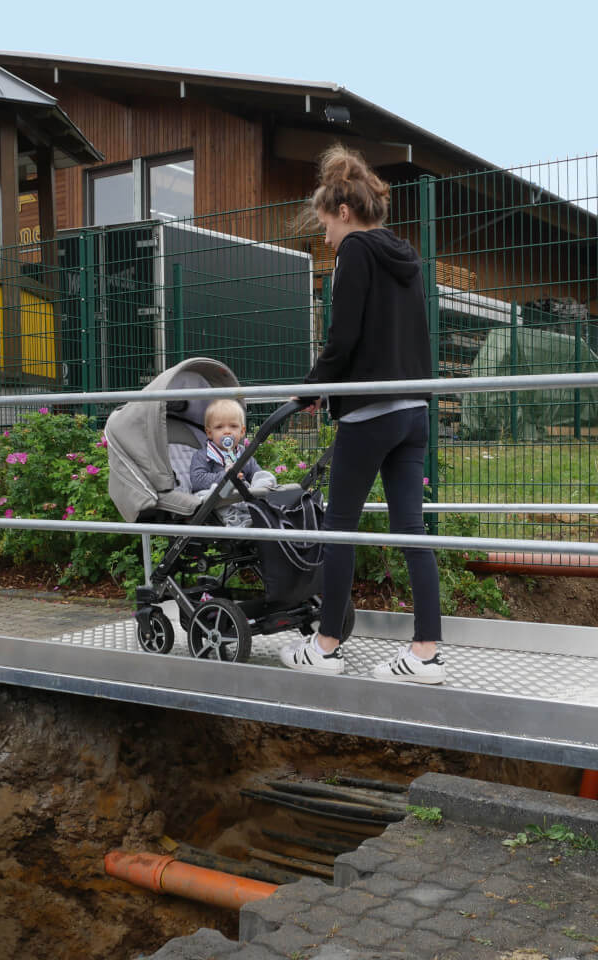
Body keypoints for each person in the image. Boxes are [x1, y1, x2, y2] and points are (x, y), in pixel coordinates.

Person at [280, 145, 445, 685]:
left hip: (370, 413)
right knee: (412, 531)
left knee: (339, 527)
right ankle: (425, 653)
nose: (325, 238)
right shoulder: (405, 257)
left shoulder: (355, 253)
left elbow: (343, 337)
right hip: (413, 411)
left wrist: (309, 389)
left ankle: (326, 646)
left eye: (326, 225)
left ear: (344, 213)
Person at [190, 398, 275, 526]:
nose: (227, 431)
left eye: (233, 426)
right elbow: (197, 480)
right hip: (221, 498)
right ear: (209, 432)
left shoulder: (243, 455)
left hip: (244, 496)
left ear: (242, 432)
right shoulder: (203, 455)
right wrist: (225, 477)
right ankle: (235, 519)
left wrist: (258, 484)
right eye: (219, 427)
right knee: (206, 494)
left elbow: (255, 473)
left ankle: (259, 506)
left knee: (263, 476)